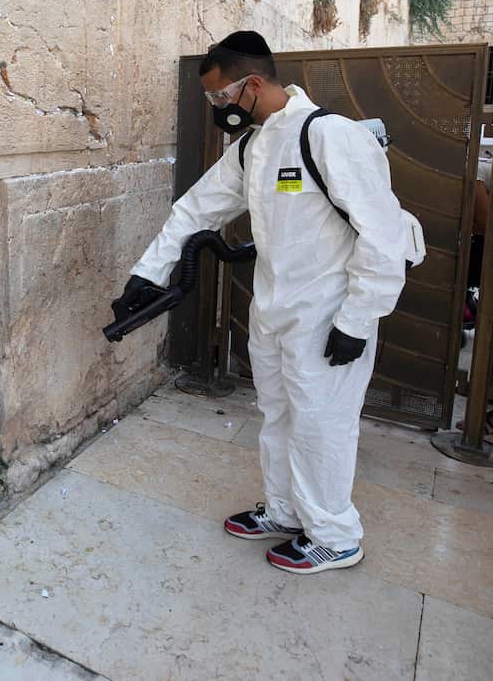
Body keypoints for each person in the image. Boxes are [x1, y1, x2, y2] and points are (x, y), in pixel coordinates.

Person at [113, 31, 408, 574]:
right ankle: (287, 511)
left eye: (220, 98)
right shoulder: (252, 146)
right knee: (276, 415)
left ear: (251, 85)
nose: (219, 109)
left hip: (328, 313)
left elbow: (384, 236)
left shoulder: (329, 136)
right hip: (273, 310)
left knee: (322, 422)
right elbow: (195, 210)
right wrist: (147, 275)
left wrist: (359, 319)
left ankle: (336, 536)